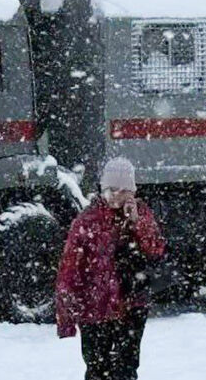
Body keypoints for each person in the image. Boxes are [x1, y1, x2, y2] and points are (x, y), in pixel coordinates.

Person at [56, 157, 166, 380]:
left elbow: (156, 250)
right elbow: (69, 271)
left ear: (133, 191)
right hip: (95, 308)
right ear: (103, 188)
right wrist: (66, 317)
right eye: (112, 189)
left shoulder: (141, 215)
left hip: (132, 306)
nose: (117, 195)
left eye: (125, 190)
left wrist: (136, 223)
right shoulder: (87, 221)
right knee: (97, 368)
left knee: (126, 368)